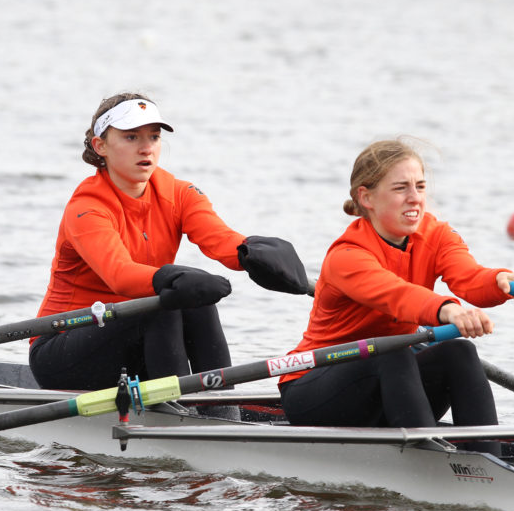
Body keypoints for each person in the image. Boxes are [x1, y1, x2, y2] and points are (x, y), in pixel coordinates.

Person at [29, 92, 309, 392]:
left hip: (138, 340)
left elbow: (221, 239)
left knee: (193, 297)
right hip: (63, 347)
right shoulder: (87, 207)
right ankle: (181, 415)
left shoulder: (179, 193)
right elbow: (119, 275)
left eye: (154, 136)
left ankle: (221, 407)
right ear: (101, 146)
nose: (146, 147)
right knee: (166, 301)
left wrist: (253, 252)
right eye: (131, 137)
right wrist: (169, 275)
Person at [278, 137, 514, 433]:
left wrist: (501, 280)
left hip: (389, 379)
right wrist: (449, 311)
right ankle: (424, 459)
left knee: (459, 352)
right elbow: (397, 295)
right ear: (367, 198)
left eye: (420, 186)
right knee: (391, 352)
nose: (415, 198)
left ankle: (486, 460)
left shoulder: (436, 235)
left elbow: (469, 277)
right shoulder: (346, 256)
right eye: (401, 188)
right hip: (316, 387)